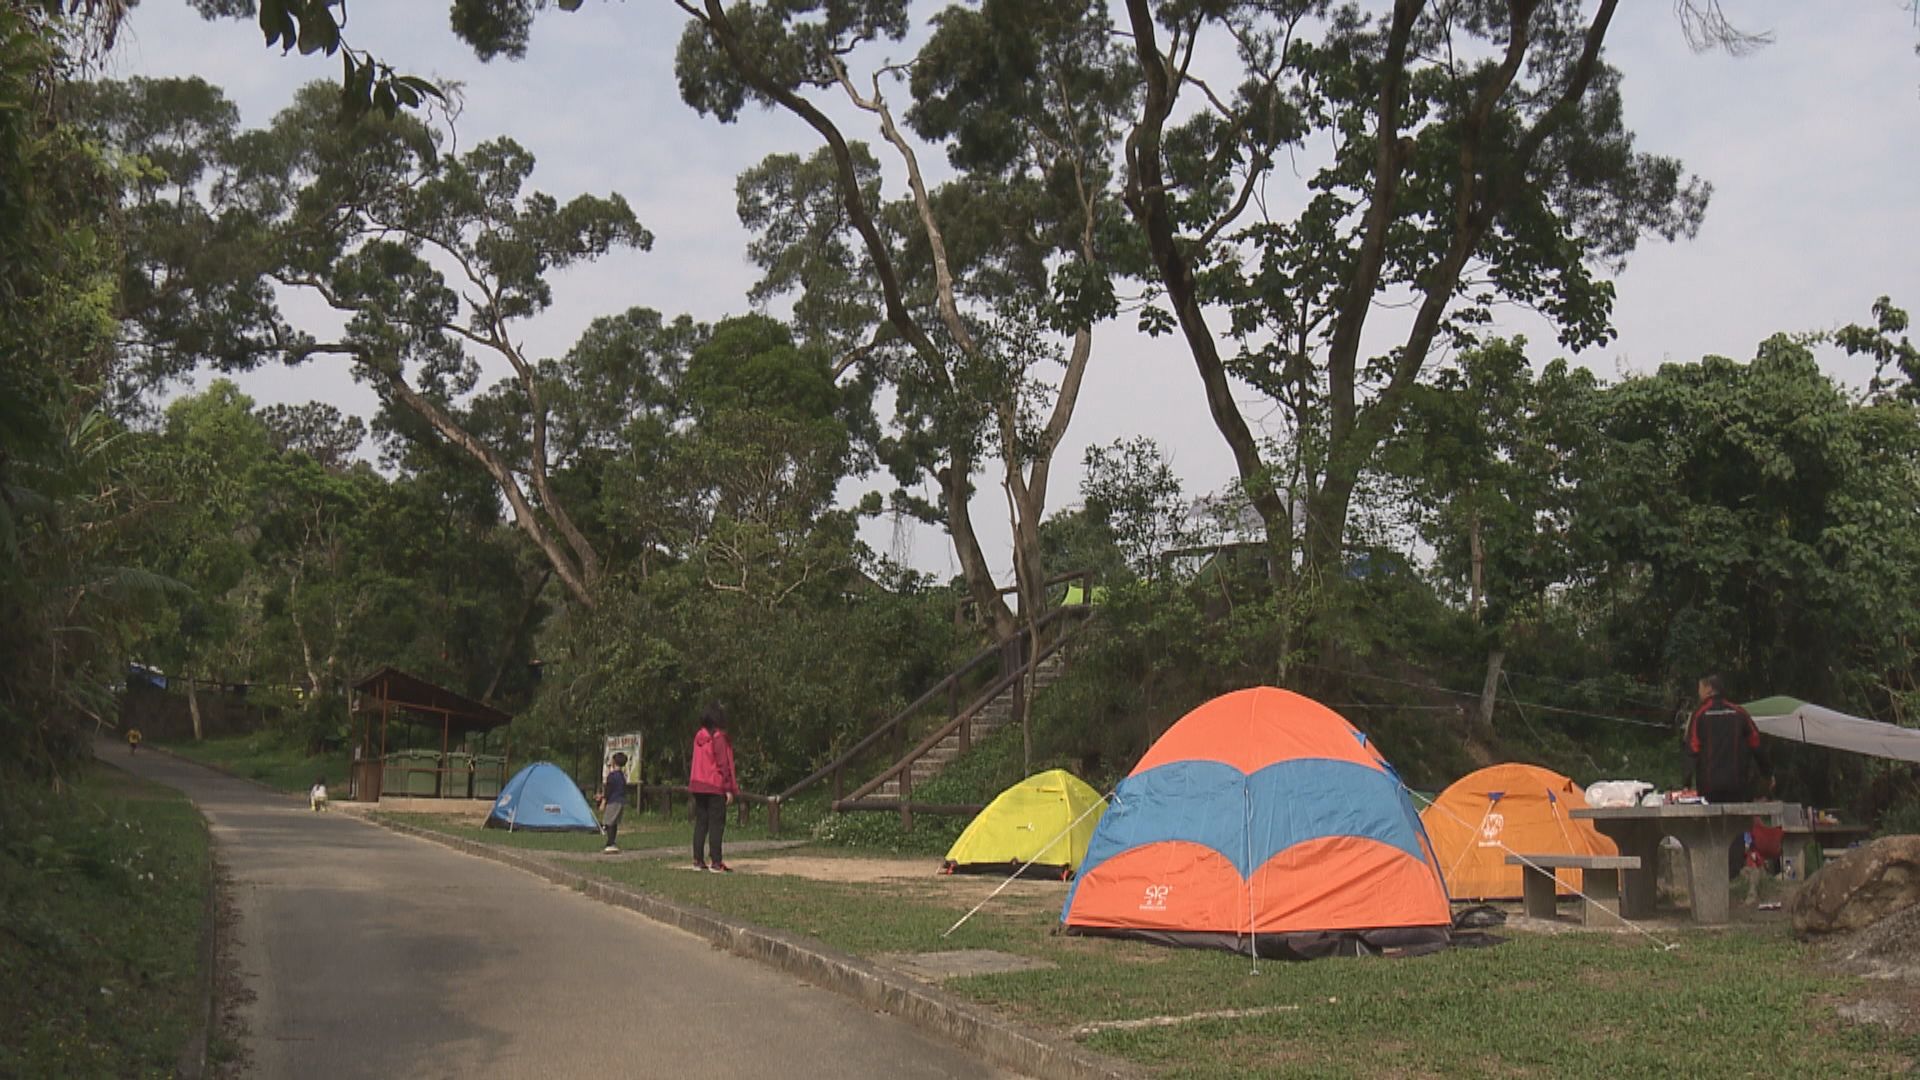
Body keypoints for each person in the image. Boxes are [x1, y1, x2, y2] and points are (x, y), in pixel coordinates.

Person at [1685, 674, 1773, 876]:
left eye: (1700, 688)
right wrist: (1767, 774)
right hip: (1738, 785)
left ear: (1708, 689)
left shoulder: (1700, 714)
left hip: (1709, 786)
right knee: (1735, 828)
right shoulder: (1739, 712)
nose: (1698, 693)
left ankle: (1713, 874)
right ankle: (1734, 873)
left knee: (1712, 829)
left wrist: (1686, 782)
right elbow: (1756, 744)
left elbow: (1692, 749)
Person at [688, 704, 737, 873]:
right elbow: (723, 764)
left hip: (698, 784)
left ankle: (697, 860)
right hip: (715, 784)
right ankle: (716, 862)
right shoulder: (718, 737)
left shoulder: (698, 737)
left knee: (701, 823)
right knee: (717, 823)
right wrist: (728, 788)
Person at [599, 752, 630, 855]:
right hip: (621, 801)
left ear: (614, 762)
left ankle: (610, 843)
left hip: (613, 801)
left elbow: (609, 790)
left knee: (608, 822)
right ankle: (611, 842)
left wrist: (603, 801)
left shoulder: (611, 776)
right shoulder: (622, 776)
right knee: (614, 822)